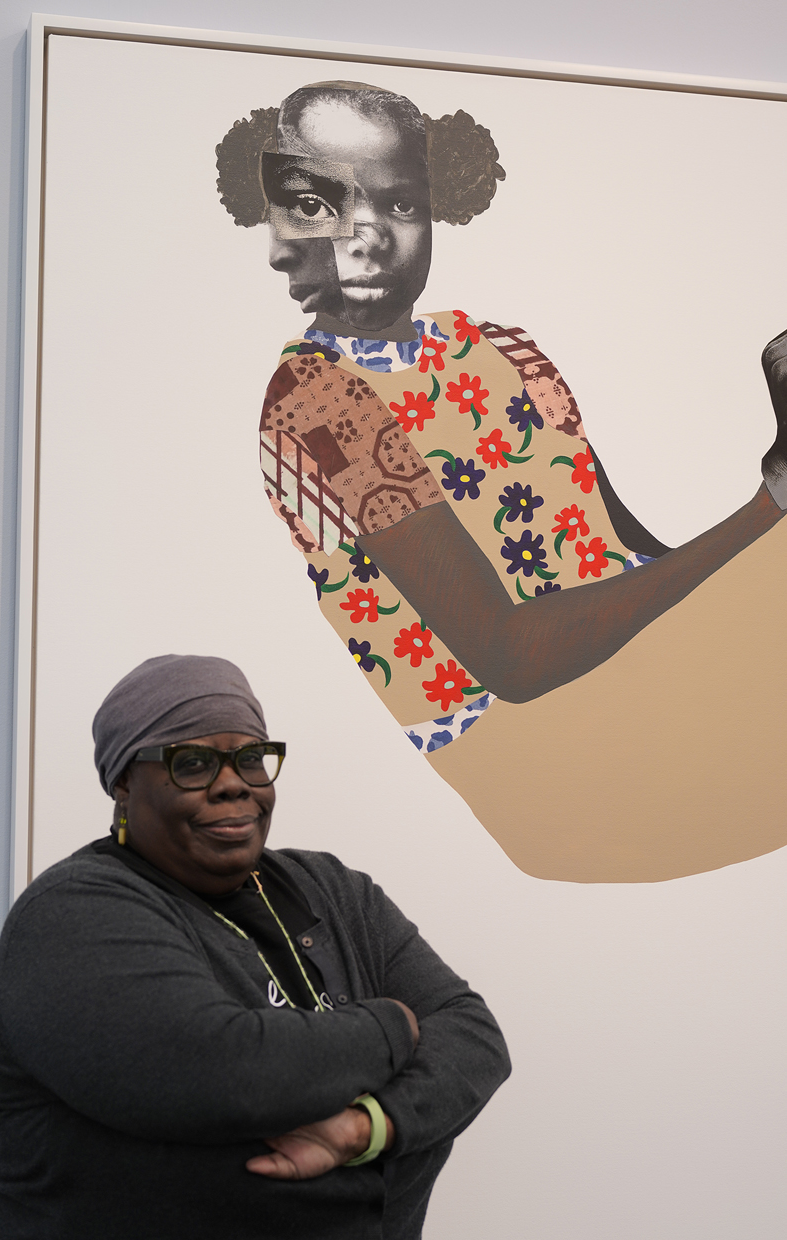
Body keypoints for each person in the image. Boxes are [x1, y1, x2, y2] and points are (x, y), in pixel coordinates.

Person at [215, 82, 787, 883]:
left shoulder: (501, 349)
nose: (369, 236)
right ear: (276, 216)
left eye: (401, 205)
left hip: (647, 689)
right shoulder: (317, 398)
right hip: (558, 769)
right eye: (321, 206)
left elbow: (636, 560)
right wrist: (768, 503)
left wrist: (761, 545)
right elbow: (512, 661)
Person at [0, 653, 511, 1240]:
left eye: (251, 759)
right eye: (191, 763)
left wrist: (365, 1126)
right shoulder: (75, 913)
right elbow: (225, 1073)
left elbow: (472, 1038)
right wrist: (392, 1025)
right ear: (122, 785)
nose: (233, 787)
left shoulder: (333, 892)